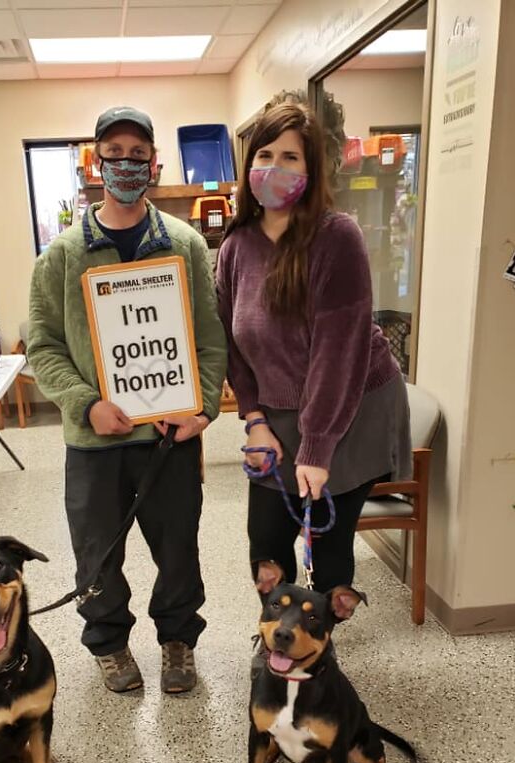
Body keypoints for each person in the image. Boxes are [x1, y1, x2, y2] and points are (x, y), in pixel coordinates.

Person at [28, 106, 227, 694]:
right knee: (96, 553)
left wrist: (202, 408)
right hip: (96, 440)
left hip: (168, 437)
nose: (126, 165)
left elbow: (210, 337)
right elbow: (44, 346)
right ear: (97, 164)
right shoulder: (62, 256)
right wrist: (85, 403)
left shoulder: (185, 246)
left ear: (154, 164)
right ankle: (109, 644)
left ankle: (178, 641)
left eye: (138, 155)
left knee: (178, 548)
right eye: (114, 154)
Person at [216, 102, 411, 596]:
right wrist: (254, 419)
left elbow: (337, 353)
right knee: (266, 545)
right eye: (265, 155)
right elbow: (231, 343)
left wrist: (317, 447)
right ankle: (277, 631)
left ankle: (316, 638)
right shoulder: (237, 244)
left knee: (327, 546)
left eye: (290, 158)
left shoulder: (336, 237)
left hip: (349, 408)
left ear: (311, 170)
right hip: (277, 410)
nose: (274, 168)